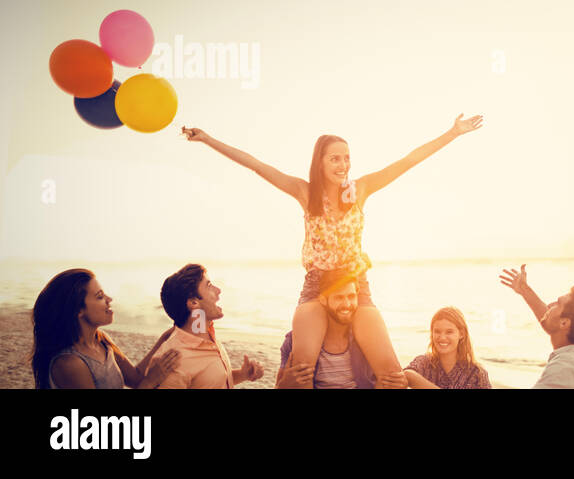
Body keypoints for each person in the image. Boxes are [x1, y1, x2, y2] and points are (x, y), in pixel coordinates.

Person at [180, 114, 484, 382]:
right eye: (334, 158)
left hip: (356, 288)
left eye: (346, 157)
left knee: (392, 375)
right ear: (320, 162)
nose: (343, 164)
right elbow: (257, 165)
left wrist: (452, 133)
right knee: (300, 371)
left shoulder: (361, 190)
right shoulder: (305, 192)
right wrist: (208, 139)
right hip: (316, 287)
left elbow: (407, 161)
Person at [31, 268, 180, 389]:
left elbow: (135, 378)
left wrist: (166, 337)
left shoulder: (101, 340)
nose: (109, 299)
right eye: (100, 296)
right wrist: (150, 382)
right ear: (78, 310)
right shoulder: (69, 364)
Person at [277, 269, 407, 389]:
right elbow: (278, 386)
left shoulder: (366, 340)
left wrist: (402, 381)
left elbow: (390, 379)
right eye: (339, 297)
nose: (347, 304)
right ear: (323, 300)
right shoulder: (294, 341)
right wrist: (284, 384)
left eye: (351, 296)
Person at [153, 264, 264, 388]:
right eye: (209, 286)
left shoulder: (207, 336)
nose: (218, 290)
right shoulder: (173, 361)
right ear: (194, 302)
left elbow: (210, 381)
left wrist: (243, 375)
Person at [498, 264, 574, 389]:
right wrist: (524, 290)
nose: (550, 305)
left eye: (558, 303)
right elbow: (552, 320)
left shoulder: (565, 368)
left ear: (564, 323)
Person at [403, 306, 491, 389]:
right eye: (437, 331)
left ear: (461, 334)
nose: (442, 338)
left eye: (449, 332)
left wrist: (415, 381)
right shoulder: (424, 362)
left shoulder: (477, 374)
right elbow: (406, 374)